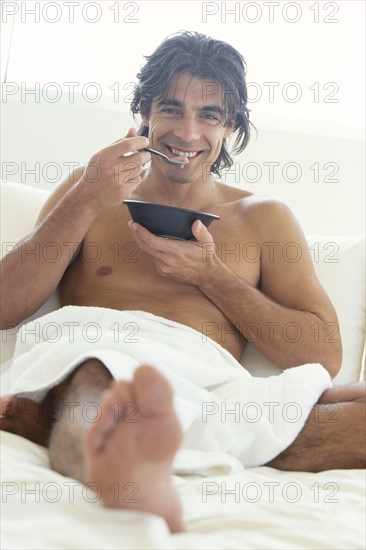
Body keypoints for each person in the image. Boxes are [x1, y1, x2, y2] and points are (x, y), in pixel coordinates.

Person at [0, 32, 364, 533]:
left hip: (208, 386)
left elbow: (323, 356)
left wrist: (212, 278)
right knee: (98, 385)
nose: (187, 132)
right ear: (144, 112)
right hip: (95, 357)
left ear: (230, 125)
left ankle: (67, 427)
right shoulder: (89, 189)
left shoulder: (263, 218)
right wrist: (87, 198)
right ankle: (126, 464)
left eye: (209, 115)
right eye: (171, 109)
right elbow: (4, 307)